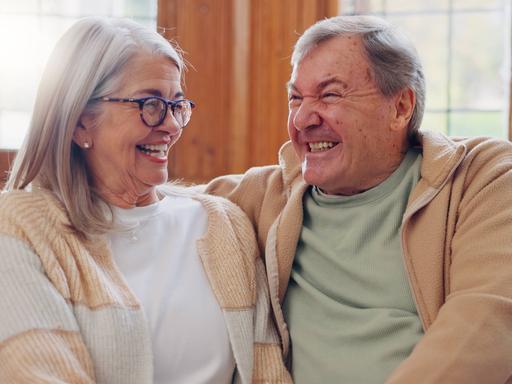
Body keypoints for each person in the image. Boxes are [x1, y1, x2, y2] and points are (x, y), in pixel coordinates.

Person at [205, 15, 512, 383]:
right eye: (295, 98)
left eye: (330, 94)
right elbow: (153, 207)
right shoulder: (262, 195)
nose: (302, 118)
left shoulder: (480, 178)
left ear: (400, 108)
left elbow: (487, 322)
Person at [0, 17, 291, 384]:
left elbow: (266, 370)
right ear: (80, 122)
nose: (170, 125)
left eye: (177, 105)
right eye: (151, 104)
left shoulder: (224, 226)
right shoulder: (18, 229)